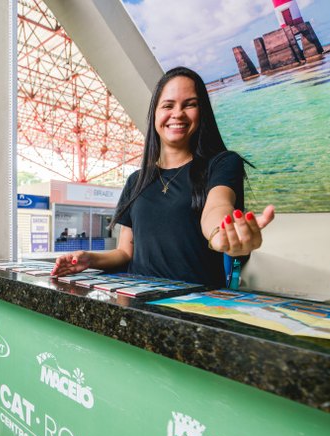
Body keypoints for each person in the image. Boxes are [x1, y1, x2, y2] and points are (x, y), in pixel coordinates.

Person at [52, 66, 275, 287]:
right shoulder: (135, 180)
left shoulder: (222, 163)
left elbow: (217, 206)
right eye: (168, 105)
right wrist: (88, 259)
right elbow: (124, 252)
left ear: (202, 113)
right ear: (155, 115)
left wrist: (220, 234)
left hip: (195, 305)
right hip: (138, 300)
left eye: (190, 105)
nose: (177, 113)